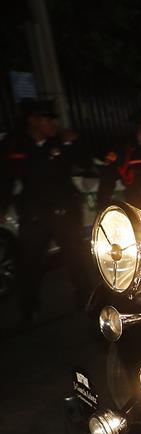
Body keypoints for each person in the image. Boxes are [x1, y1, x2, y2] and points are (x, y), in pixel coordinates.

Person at [0, 98, 92, 323]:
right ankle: (29, 308)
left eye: (54, 119)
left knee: (76, 258)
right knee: (28, 262)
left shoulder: (61, 143)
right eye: (47, 118)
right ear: (33, 120)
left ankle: (87, 298)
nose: (53, 123)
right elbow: (5, 179)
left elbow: (86, 162)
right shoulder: (15, 146)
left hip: (65, 212)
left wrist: (75, 143)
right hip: (35, 214)